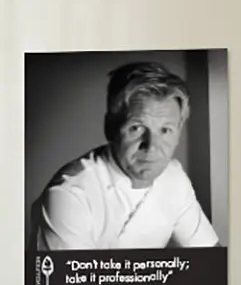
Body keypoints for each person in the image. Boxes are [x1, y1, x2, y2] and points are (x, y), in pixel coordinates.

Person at [33, 61, 220, 251]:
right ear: (110, 128)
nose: (151, 147)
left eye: (165, 130)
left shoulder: (174, 179)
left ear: (179, 133)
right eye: (136, 128)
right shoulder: (70, 195)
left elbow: (213, 260)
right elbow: (67, 279)